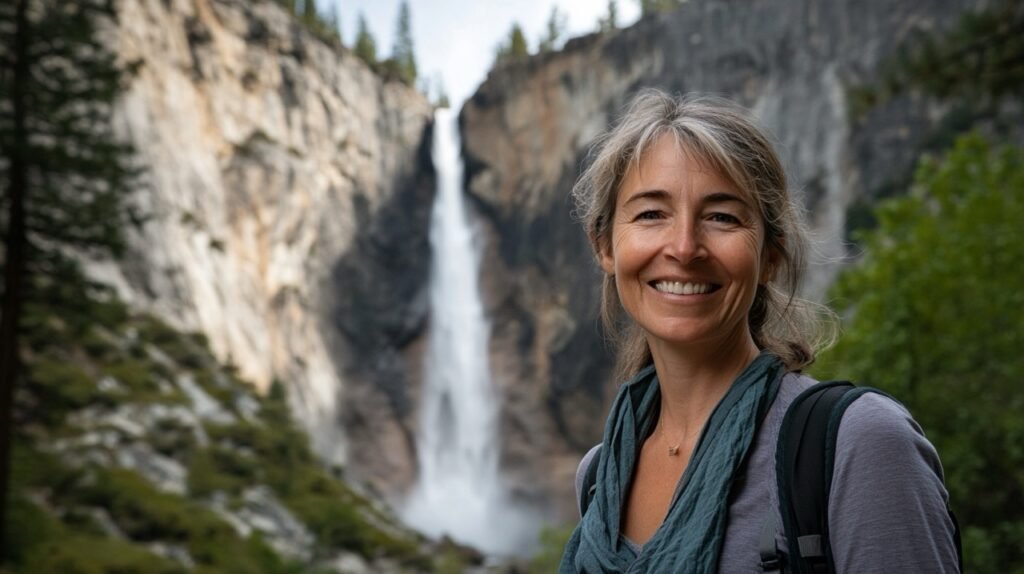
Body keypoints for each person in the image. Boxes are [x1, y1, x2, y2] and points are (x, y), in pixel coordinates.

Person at [558, 90, 960, 573]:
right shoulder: (601, 478)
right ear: (605, 245)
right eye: (651, 214)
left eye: (722, 217)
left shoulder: (859, 445)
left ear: (771, 255)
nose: (685, 247)